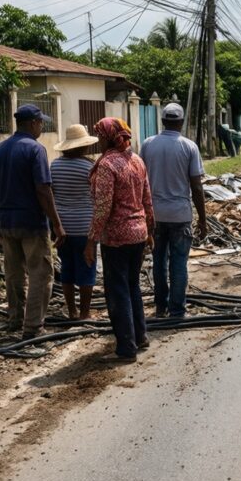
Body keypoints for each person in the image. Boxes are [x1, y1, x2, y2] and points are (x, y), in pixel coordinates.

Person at [0, 105, 66, 340]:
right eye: (41, 122)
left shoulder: (1, 148)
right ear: (33, 123)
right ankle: (33, 328)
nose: (42, 126)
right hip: (32, 222)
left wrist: (0, 216)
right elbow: (43, 189)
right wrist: (57, 223)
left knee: (14, 274)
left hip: (9, 222)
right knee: (40, 274)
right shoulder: (36, 150)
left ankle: (16, 319)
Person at [85, 118, 154, 362]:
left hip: (116, 237)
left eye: (100, 136)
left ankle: (126, 348)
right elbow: (147, 199)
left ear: (109, 137)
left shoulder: (107, 165)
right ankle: (140, 335)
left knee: (118, 291)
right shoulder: (136, 160)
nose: (98, 141)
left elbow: (103, 208)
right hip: (138, 232)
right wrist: (150, 231)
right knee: (133, 285)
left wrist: (91, 240)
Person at [141, 103, 208, 319]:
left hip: (155, 215)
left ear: (162, 121)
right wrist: (203, 220)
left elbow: (140, 181)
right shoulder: (189, 147)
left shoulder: (148, 145)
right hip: (180, 214)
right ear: (181, 122)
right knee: (178, 262)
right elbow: (196, 186)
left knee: (158, 261)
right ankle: (177, 310)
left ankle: (161, 306)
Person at [51, 124, 98, 320]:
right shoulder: (89, 167)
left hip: (62, 227)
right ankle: (85, 313)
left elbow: (50, 195)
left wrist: (54, 226)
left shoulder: (54, 166)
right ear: (83, 146)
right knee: (87, 268)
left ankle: (72, 311)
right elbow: (96, 198)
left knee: (67, 269)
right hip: (85, 228)